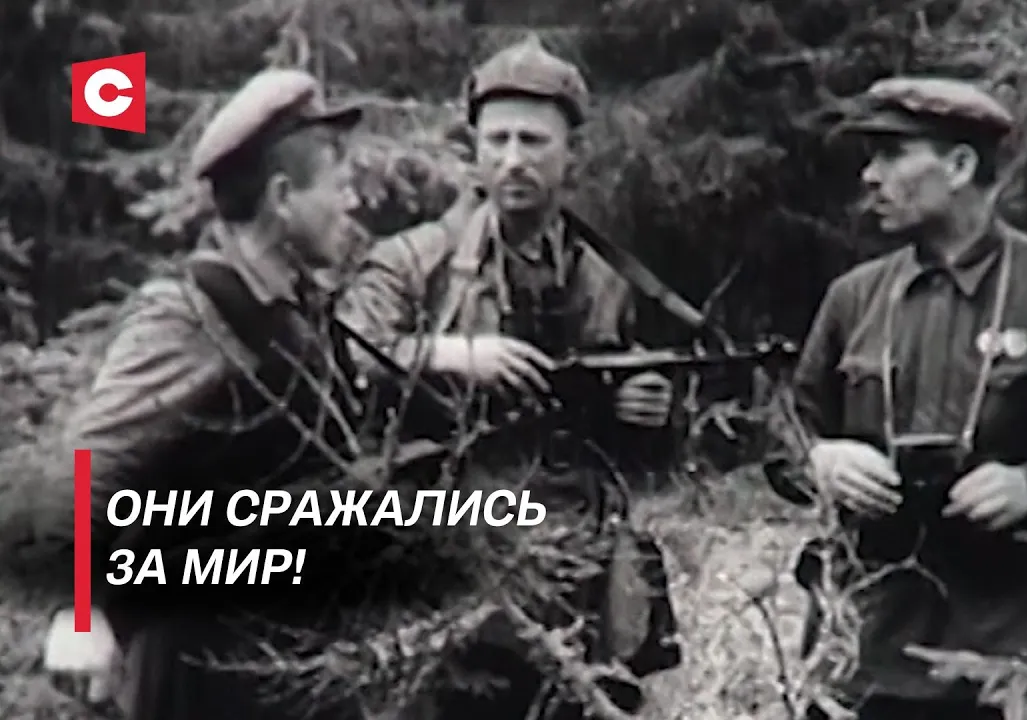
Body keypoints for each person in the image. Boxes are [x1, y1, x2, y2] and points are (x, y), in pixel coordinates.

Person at [773, 77, 1027, 720]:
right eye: (870, 157)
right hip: (868, 651)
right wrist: (820, 460)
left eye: (892, 154)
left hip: (1017, 652)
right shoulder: (854, 298)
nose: (870, 176)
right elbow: (784, 433)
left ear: (959, 166)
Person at [339, 34, 680, 719]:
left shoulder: (605, 277)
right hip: (450, 553)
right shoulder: (416, 261)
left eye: (534, 141)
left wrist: (648, 406)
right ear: (474, 148)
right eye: (497, 140)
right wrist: (449, 353)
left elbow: (638, 449)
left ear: (572, 153)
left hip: (576, 553)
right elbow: (346, 352)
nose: (513, 159)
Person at [62, 67, 368, 720]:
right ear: (282, 197)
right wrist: (82, 611)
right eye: (339, 185)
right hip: (201, 674)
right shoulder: (192, 316)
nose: (354, 203)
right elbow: (86, 462)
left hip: (288, 666)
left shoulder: (293, 308)